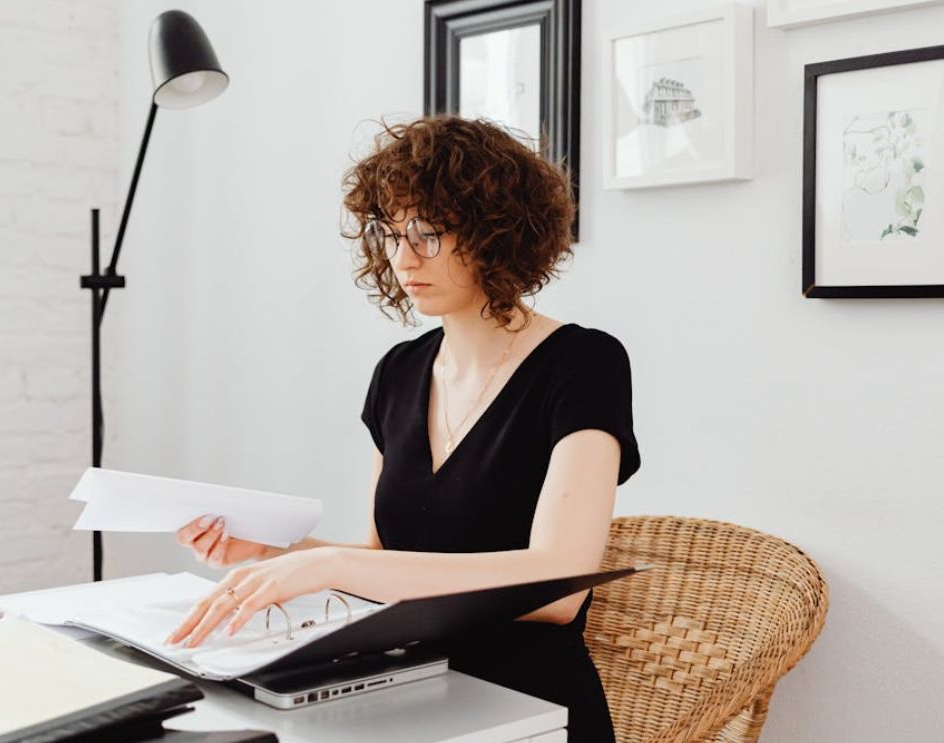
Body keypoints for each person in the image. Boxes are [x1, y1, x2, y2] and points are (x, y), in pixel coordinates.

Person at [167, 116, 639, 742]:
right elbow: (384, 559)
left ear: (499, 233)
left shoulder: (583, 363)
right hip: (407, 693)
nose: (402, 256)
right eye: (389, 234)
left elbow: (557, 587)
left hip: (529, 710)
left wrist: (326, 566)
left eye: (428, 233)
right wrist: (274, 552)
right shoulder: (399, 371)